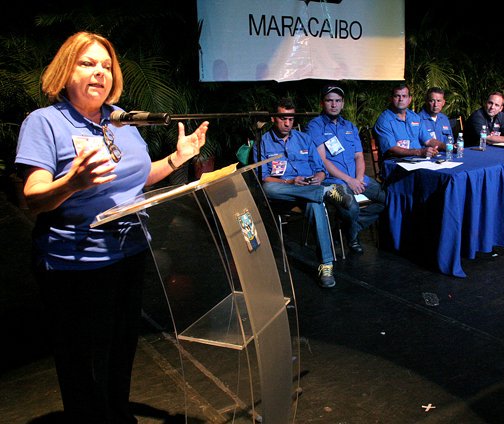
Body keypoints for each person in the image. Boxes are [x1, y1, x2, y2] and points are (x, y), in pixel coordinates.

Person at [14, 32, 209, 423]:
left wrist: (176, 158)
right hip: (78, 267)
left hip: (129, 255)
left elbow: (137, 178)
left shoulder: (118, 119)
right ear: (65, 70)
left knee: (120, 356)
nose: (99, 72)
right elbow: (32, 198)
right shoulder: (44, 122)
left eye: (106, 65)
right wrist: (72, 183)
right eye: (88, 63)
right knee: (85, 370)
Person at [253, 97, 353, 288]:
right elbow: (263, 177)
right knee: (268, 188)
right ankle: (324, 193)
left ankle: (326, 265)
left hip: (308, 189)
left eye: (290, 119)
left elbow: (321, 169)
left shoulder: (304, 139)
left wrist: (319, 178)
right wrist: (290, 181)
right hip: (284, 192)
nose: (287, 123)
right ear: (274, 118)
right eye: (283, 118)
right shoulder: (263, 142)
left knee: (315, 205)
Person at [306, 85, 386, 255]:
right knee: (351, 206)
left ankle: (347, 228)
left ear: (342, 104)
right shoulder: (315, 126)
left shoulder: (350, 126)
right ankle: (352, 238)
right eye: (329, 100)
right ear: (322, 103)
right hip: (333, 181)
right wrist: (350, 181)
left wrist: (358, 178)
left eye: (337, 101)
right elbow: (323, 160)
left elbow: (359, 156)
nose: (334, 104)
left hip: (357, 177)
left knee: (387, 200)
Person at [373, 84, 446, 176]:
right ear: (391, 98)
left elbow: (428, 140)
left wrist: (446, 147)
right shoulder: (384, 120)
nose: (401, 99)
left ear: (410, 99)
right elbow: (391, 149)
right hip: (396, 166)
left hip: (419, 162)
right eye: (397, 96)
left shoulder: (415, 117)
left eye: (404, 96)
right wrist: (419, 152)